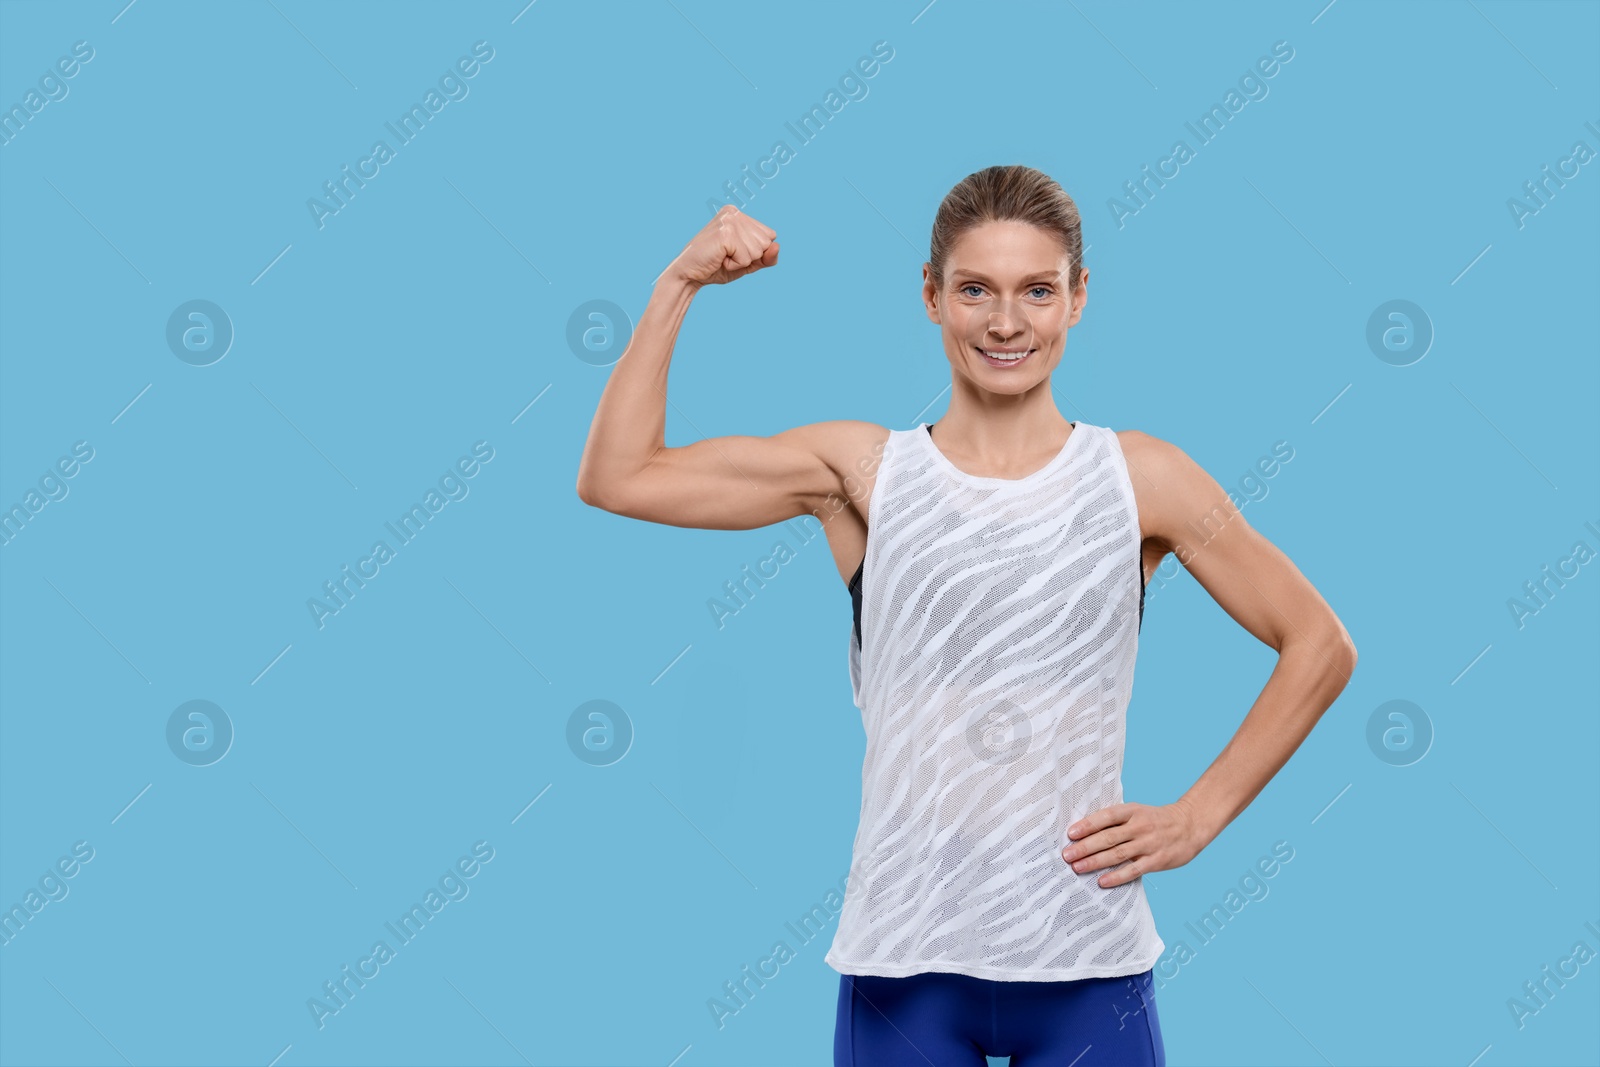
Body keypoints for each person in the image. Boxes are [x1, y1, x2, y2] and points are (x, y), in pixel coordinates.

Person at [577, 165, 1357, 1066]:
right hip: (904, 966)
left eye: (1037, 290)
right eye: (975, 289)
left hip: (1087, 961)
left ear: (1078, 299)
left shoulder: (1141, 479)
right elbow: (617, 476)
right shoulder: (863, 474)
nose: (1005, 322)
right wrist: (678, 284)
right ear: (931, 295)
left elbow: (1319, 645)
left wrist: (1197, 818)